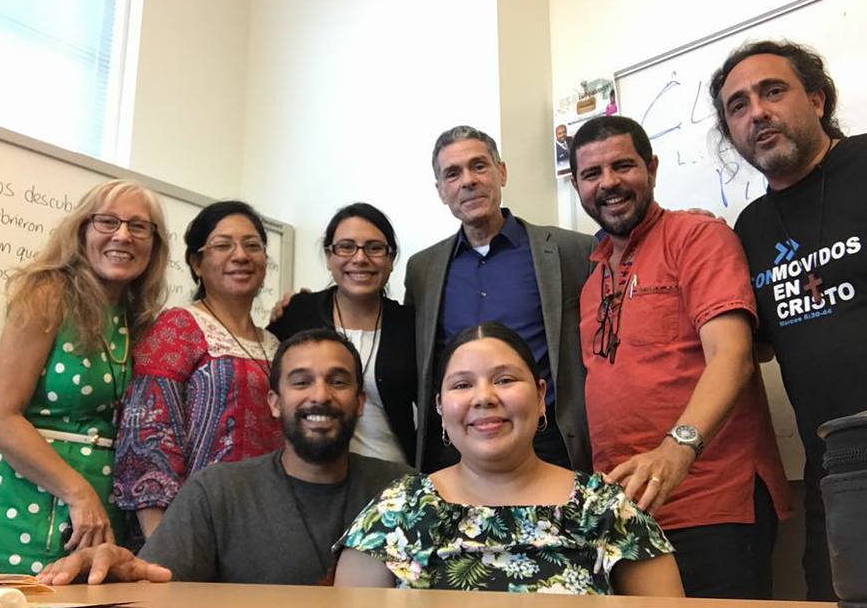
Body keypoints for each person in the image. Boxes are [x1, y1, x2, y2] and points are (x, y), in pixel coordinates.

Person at [709, 40, 867, 600]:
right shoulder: (750, 228)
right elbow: (758, 346)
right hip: (837, 480)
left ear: (817, 100)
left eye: (773, 91)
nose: (757, 113)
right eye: (738, 106)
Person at [569, 115, 791, 599]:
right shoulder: (592, 281)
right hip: (628, 514)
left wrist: (677, 449)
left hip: (714, 504)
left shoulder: (697, 237)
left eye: (623, 166)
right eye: (591, 174)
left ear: (651, 168)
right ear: (578, 186)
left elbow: (733, 355)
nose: (608, 183)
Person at [37, 329, 411, 586]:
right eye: (301, 382)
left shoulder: (405, 492)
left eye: (338, 381)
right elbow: (152, 581)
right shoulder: (218, 492)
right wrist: (114, 573)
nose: (320, 395)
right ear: (274, 402)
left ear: (360, 402)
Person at [334, 322, 681, 595]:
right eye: (462, 385)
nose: (484, 397)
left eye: (504, 379)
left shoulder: (605, 509)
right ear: (440, 407)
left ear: (540, 396)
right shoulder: (397, 510)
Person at [0, 180, 169, 575]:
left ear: (154, 245)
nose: (123, 235)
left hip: (103, 519)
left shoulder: (138, 318)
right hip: (25, 510)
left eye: (139, 227)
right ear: (82, 230)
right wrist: (78, 494)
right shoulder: (47, 295)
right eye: (107, 221)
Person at [405, 125, 597, 473]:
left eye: (479, 166)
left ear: (502, 172)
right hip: (456, 448)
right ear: (441, 191)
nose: (468, 181)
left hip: (548, 442)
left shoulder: (571, 251)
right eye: (453, 174)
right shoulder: (423, 270)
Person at [114, 200, 283, 539]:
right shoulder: (177, 328)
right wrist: (163, 546)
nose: (241, 256)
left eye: (253, 246)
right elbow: (146, 439)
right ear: (196, 263)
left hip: (264, 527)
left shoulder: (276, 345)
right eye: (223, 245)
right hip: (191, 530)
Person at [269, 203, 415, 464]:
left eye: (375, 248)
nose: (360, 258)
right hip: (309, 474)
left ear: (391, 259)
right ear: (329, 256)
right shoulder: (297, 314)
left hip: (393, 476)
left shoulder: (411, 324)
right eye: (346, 247)